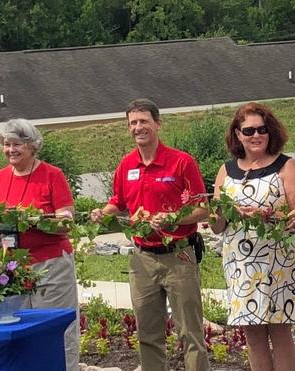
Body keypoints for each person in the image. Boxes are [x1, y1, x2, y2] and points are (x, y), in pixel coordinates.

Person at [90, 99, 210, 371]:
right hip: (142, 258)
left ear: (158, 124)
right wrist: (103, 212)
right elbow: (118, 201)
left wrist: (173, 217)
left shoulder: (181, 162)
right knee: (147, 335)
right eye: (133, 122)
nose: (138, 127)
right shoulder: (126, 165)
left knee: (190, 333)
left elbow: (202, 209)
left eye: (144, 121)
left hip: (179, 254)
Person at [208, 103, 295, 371]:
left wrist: (270, 214)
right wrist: (222, 213)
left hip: (276, 262)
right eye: (248, 130)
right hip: (239, 264)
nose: (256, 135)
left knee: (279, 330)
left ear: (270, 131)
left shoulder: (286, 166)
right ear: (237, 134)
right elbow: (216, 226)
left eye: (261, 129)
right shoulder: (226, 171)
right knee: (251, 333)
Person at [0, 118, 80, 370]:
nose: (11, 150)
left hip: (50, 265)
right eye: (6, 144)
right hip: (13, 267)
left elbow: (66, 222)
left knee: (55, 328)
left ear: (32, 146)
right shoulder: (2, 177)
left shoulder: (52, 175)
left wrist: (35, 220)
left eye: (17, 144)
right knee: (20, 329)